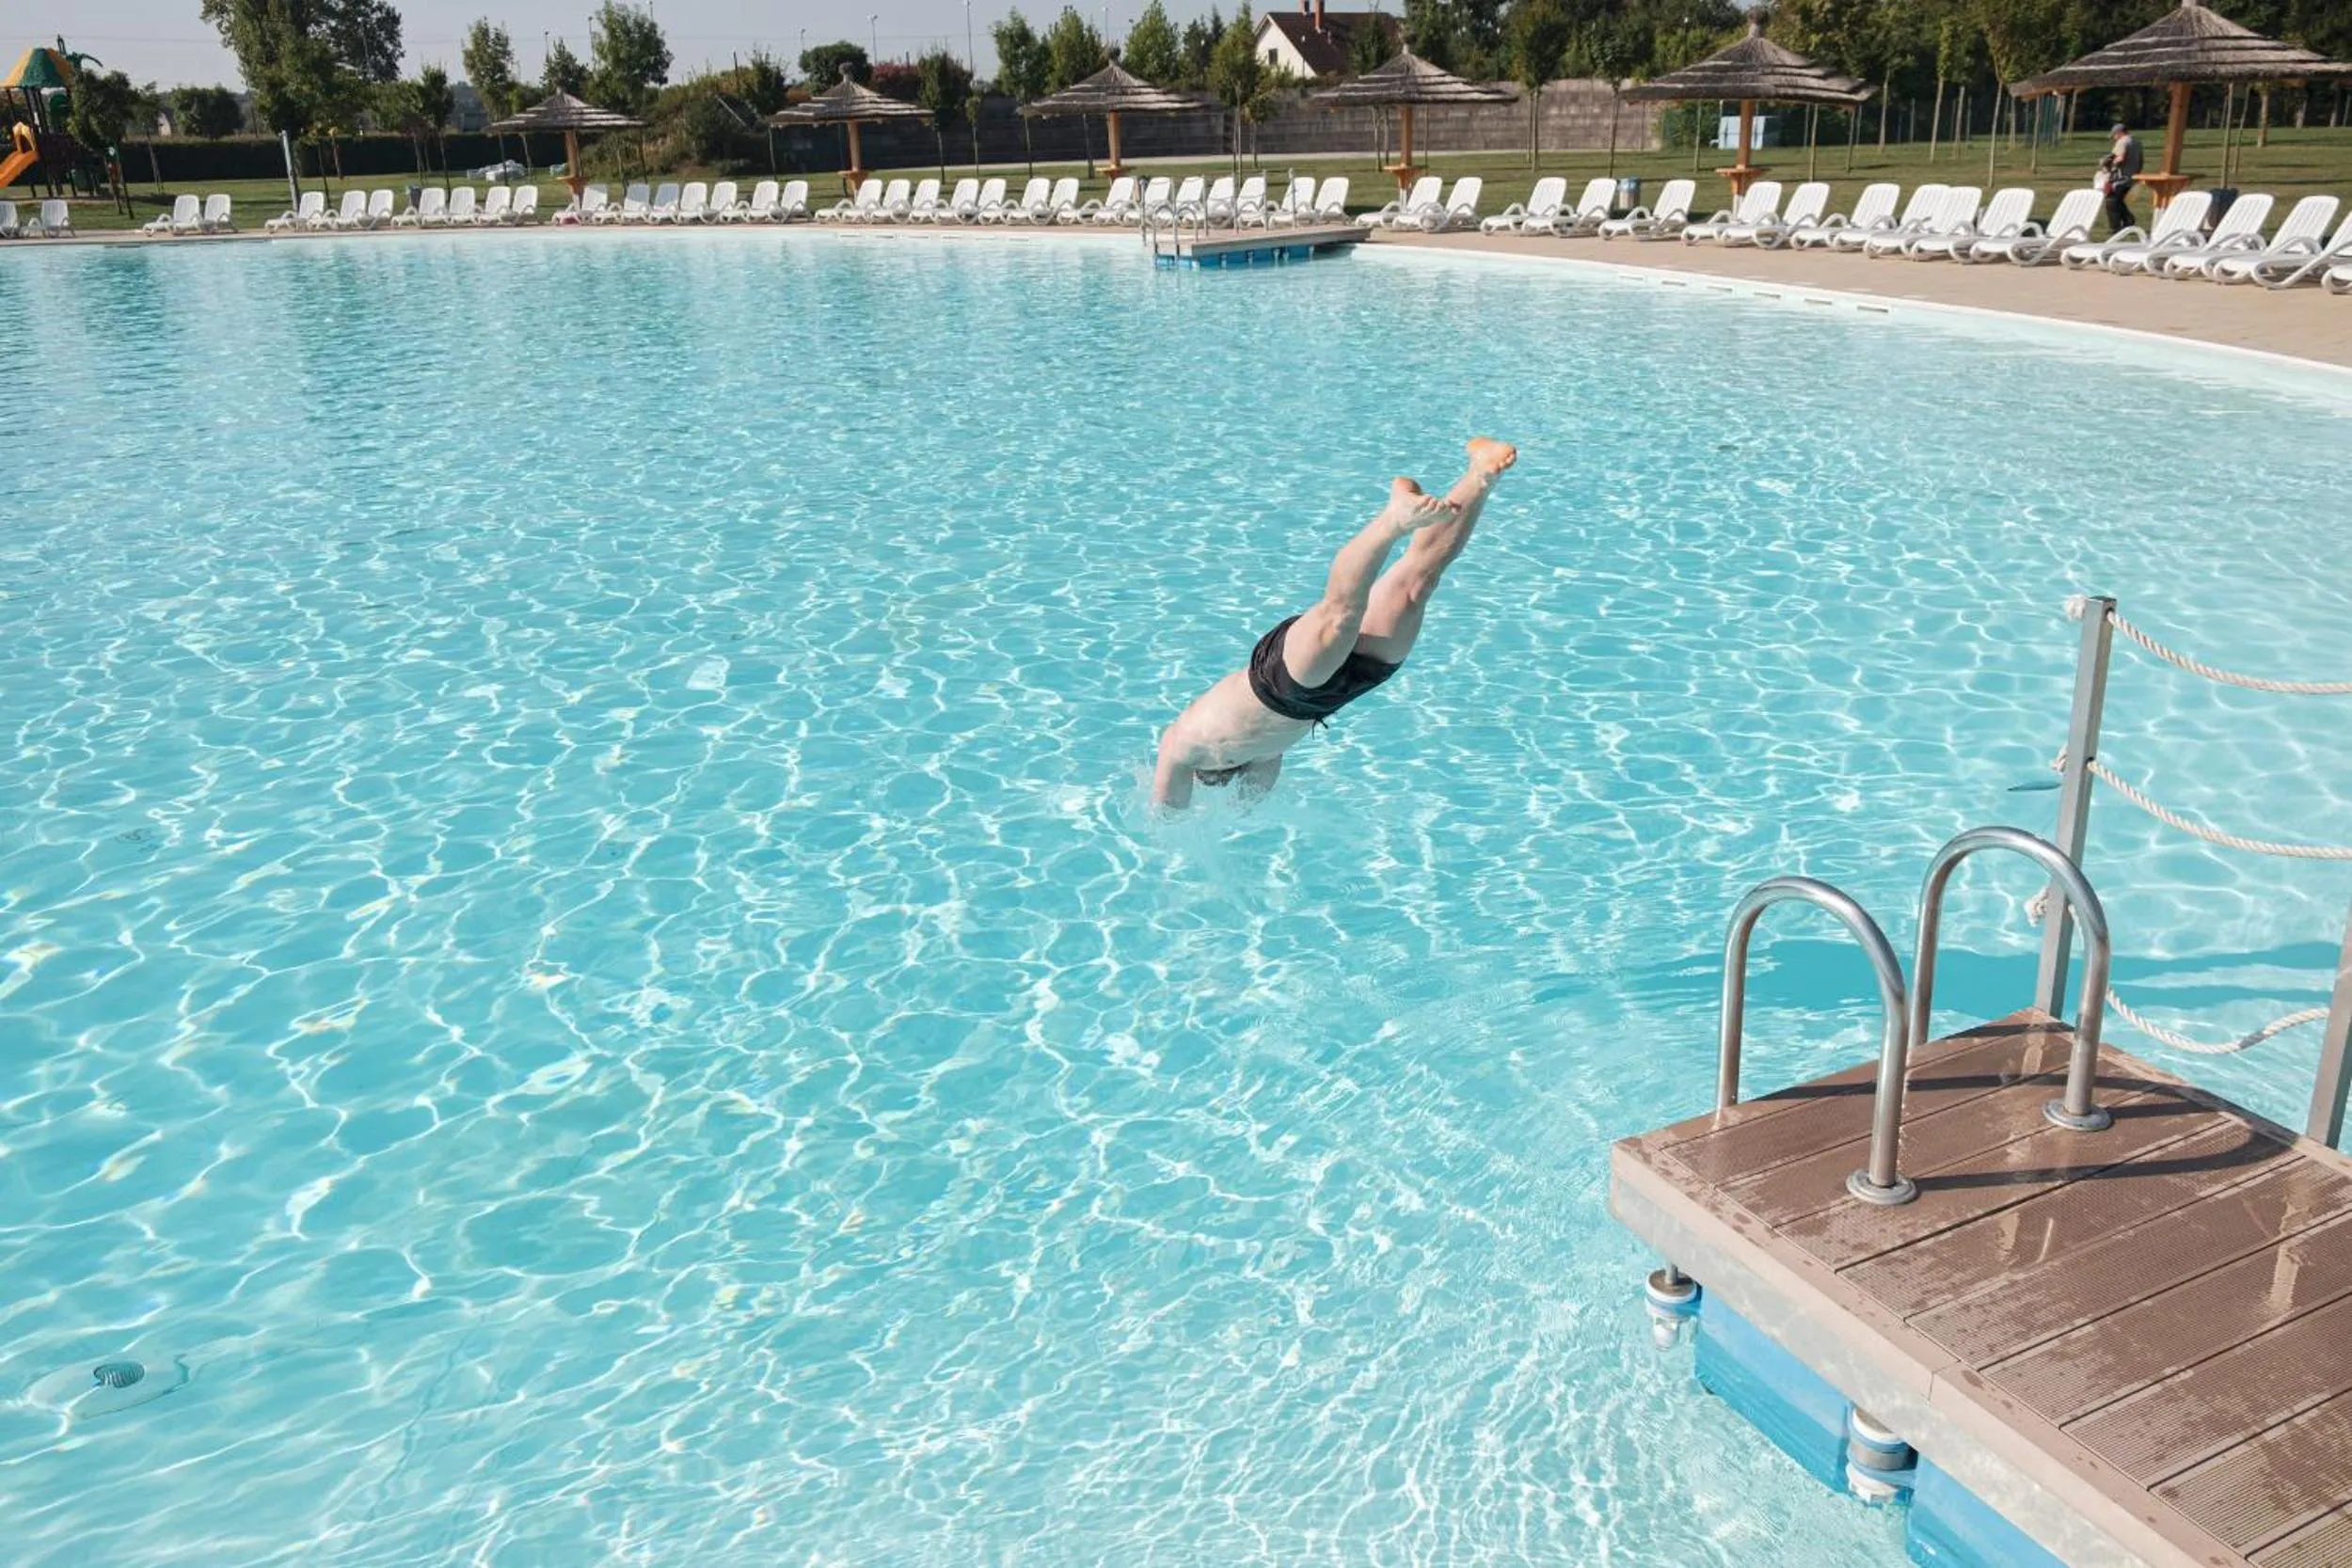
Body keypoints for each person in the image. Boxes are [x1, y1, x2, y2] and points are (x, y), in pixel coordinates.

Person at [1152, 438, 1518, 810]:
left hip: (1277, 684)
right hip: (1331, 696)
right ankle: (1480, 474)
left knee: (1341, 614)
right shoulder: (1263, 758)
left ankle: (1392, 520)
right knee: (1419, 583)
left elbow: (1165, 815)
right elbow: (1246, 810)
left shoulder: (1181, 747)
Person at [2102, 121, 2141, 235]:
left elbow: (2120, 158)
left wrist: (2108, 164)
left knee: (2111, 201)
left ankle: (2115, 227)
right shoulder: (2136, 142)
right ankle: (2128, 220)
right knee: (2118, 200)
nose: (2114, 138)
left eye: (2114, 135)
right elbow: (2141, 160)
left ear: (2119, 133)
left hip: (2120, 177)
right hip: (2132, 176)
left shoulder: (2122, 142)